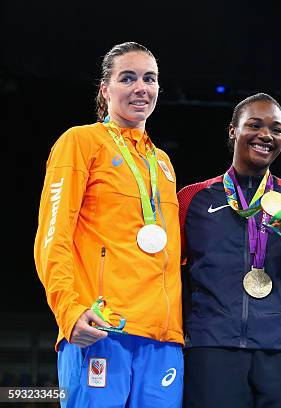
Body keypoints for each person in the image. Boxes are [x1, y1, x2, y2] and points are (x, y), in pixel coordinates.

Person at [33, 42, 183, 407]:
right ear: (105, 89)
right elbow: (53, 236)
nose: (140, 87)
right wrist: (68, 310)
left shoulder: (161, 162)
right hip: (101, 328)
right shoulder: (80, 142)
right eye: (127, 78)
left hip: (164, 340)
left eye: (150, 78)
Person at [177, 92, 281, 408]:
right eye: (255, 125)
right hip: (213, 350)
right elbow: (166, 275)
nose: (266, 135)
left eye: (276, 129)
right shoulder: (193, 199)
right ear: (232, 130)